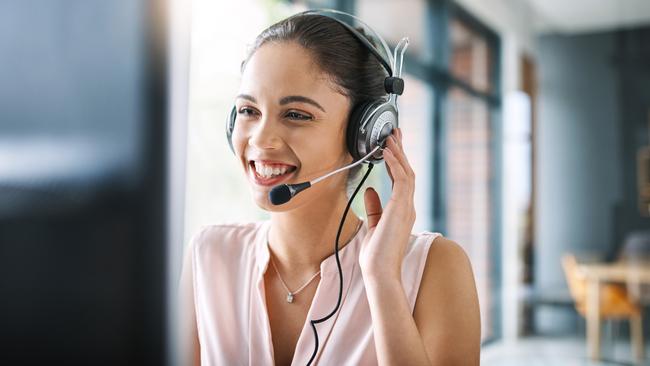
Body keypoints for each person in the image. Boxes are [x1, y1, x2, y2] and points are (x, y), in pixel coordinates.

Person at [180, 10, 481, 366]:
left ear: (367, 135)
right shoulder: (210, 255)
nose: (261, 138)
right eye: (248, 110)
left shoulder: (434, 267)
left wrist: (383, 278)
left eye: (296, 114)